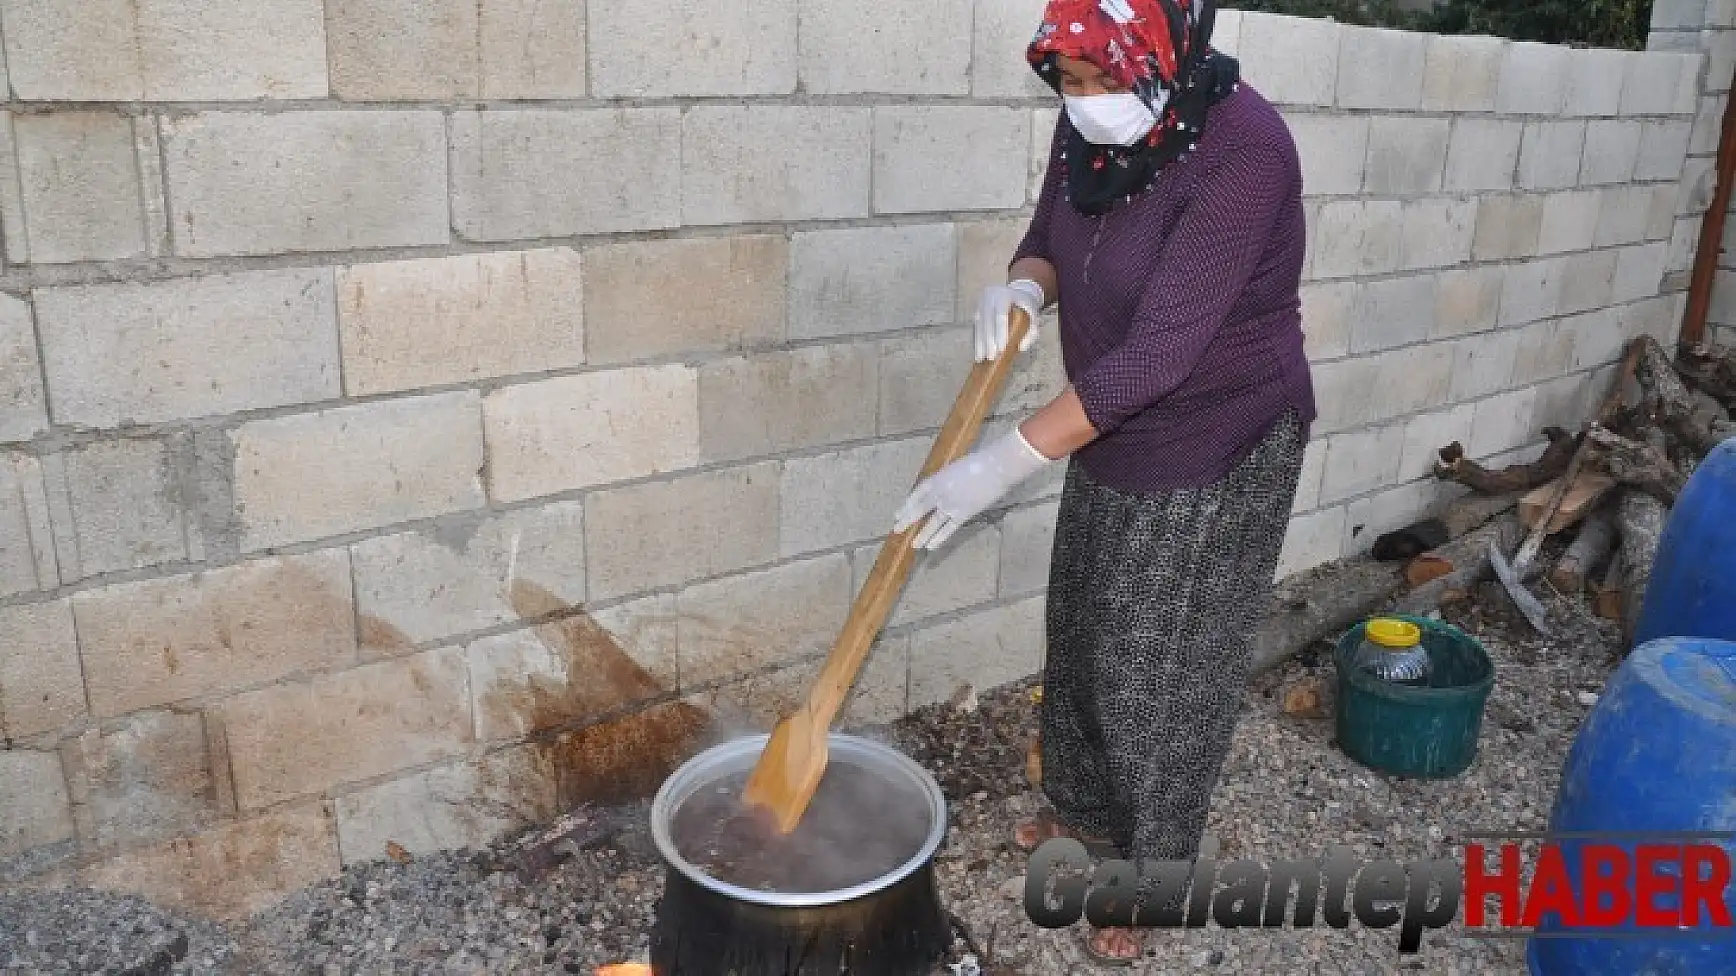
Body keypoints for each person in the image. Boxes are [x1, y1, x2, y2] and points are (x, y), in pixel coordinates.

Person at [891, 0, 1316, 962]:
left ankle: (1154, 879)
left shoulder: (1245, 152)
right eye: (1067, 85)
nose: (1084, 104)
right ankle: (1084, 815)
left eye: (1099, 82)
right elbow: (1050, 226)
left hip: (1219, 435)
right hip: (1105, 425)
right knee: (1082, 626)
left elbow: (1159, 358)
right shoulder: (1097, 109)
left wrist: (1001, 464)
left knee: (1159, 673)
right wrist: (1025, 288)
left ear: (1163, 57)